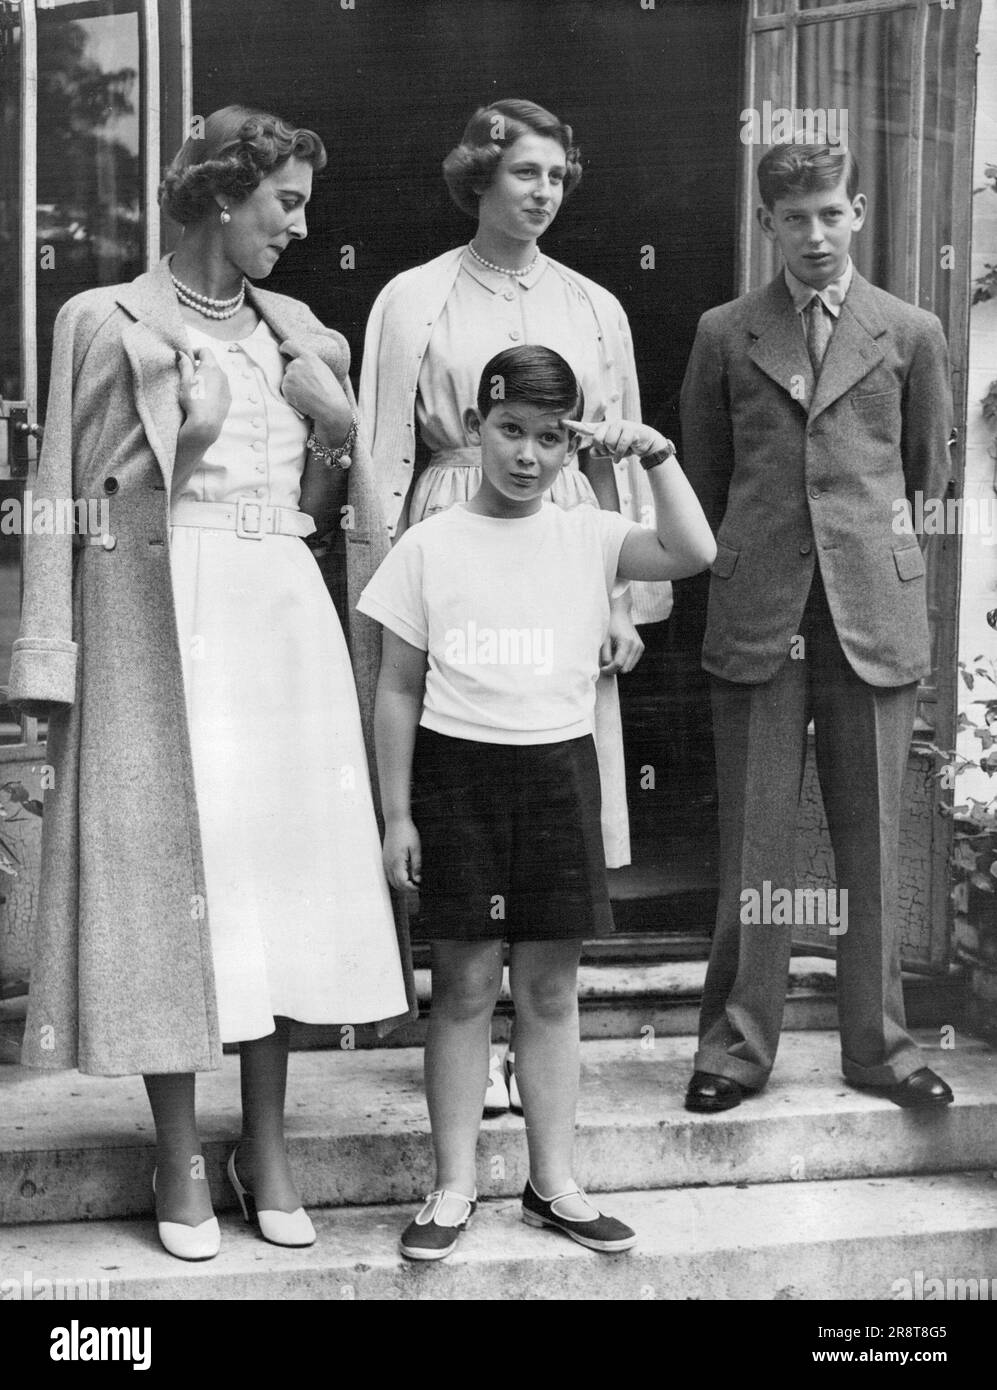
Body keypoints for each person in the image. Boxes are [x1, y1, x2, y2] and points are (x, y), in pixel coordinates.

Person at [9, 106, 413, 1261]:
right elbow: (66, 501)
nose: (298, 226)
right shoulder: (104, 318)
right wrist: (51, 659)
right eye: (284, 202)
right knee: (178, 891)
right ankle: (179, 1149)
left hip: (279, 612)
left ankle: (267, 1145)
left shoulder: (304, 333)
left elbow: (326, 515)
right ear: (223, 196)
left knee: (278, 881)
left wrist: (335, 437)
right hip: (163, 618)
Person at [357, 345, 715, 1260]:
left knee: (552, 989)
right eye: (509, 431)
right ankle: (451, 1186)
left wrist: (655, 456)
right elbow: (397, 686)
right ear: (476, 428)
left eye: (550, 438)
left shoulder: (589, 532)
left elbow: (691, 550)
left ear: (571, 446)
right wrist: (398, 814)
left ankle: (552, 1183)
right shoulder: (429, 544)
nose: (526, 455)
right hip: (457, 776)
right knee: (467, 985)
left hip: (557, 773)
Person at [360, 97, 671, 1110]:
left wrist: (623, 599)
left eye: (556, 178)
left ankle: (532, 1039)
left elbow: (619, 459)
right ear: (480, 177)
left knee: (548, 795)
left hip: (564, 538)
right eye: (524, 173)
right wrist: (382, 582)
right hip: (450, 526)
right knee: (457, 779)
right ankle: (457, 1026)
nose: (542, 194)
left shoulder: (592, 305)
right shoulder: (413, 297)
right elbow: (381, 449)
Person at [679, 142, 954, 1114]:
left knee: (870, 837)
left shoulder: (911, 332)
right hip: (760, 611)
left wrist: (867, 562)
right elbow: (701, 485)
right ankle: (735, 1045)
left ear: (860, 211)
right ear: (767, 223)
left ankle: (879, 1048)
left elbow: (928, 483)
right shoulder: (725, 332)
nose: (814, 235)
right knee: (754, 839)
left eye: (830, 213)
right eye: (793, 218)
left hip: (869, 613)